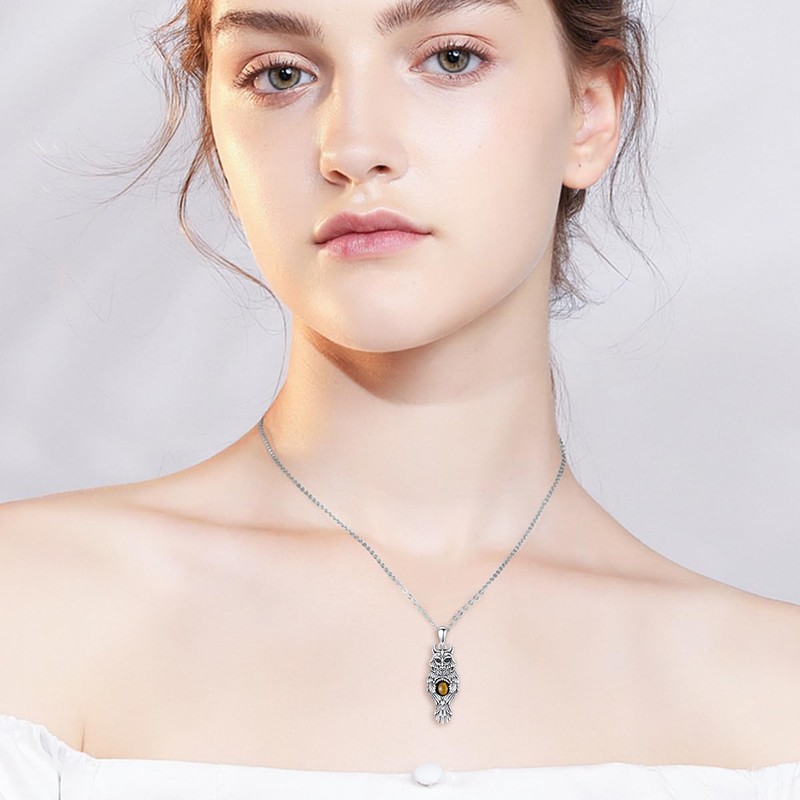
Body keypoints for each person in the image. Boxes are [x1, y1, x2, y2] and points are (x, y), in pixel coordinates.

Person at [1, 0, 799, 797]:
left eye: (451, 58)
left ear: (589, 114)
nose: (353, 148)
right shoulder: (28, 601)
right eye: (280, 75)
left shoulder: (776, 700)